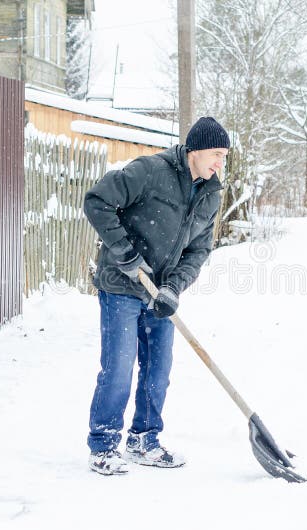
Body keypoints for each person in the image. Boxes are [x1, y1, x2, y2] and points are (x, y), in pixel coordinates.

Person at [83, 117, 230, 475]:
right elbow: (97, 201)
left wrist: (173, 287)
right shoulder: (150, 171)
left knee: (158, 370)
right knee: (118, 368)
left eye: (224, 156)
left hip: (159, 292)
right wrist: (125, 252)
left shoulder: (210, 193)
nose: (219, 163)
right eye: (215, 154)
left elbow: (198, 251)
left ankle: (144, 439)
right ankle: (103, 445)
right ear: (194, 151)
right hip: (121, 284)